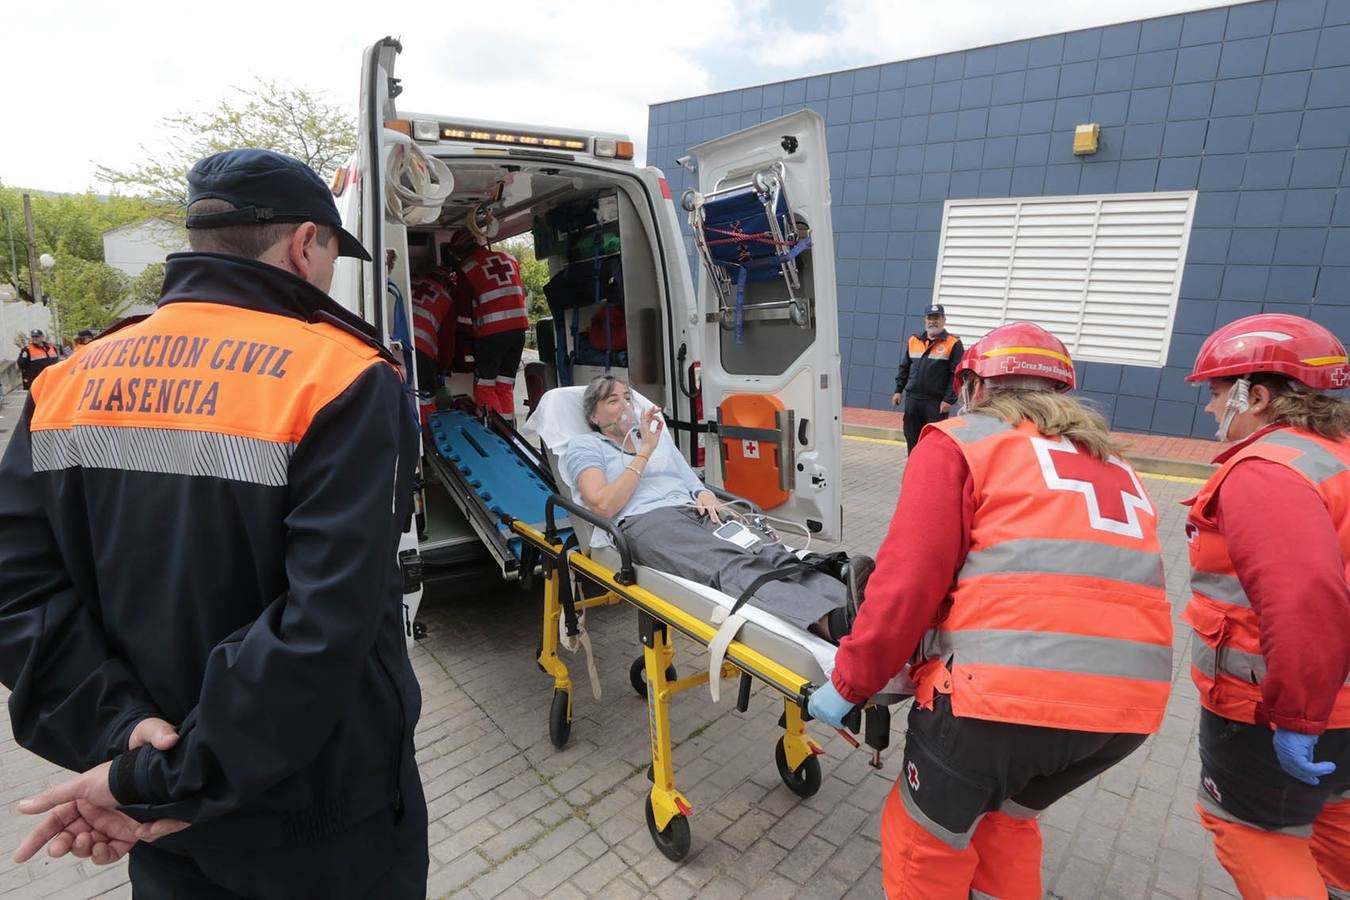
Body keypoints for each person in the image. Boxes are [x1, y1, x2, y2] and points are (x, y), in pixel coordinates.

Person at [0, 149, 426, 898]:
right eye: (330, 251)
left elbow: (18, 592)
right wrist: (176, 774)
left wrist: (128, 744)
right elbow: (325, 621)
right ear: (304, 244)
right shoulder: (343, 376)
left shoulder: (68, 379)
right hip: (322, 813)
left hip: (156, 807)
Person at [811, 322, 1173, 899]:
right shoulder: (1115, 465)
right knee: (1004, 824)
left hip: (1001, 702)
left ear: (973, 386)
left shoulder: (962, 441)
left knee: (926, 843)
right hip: (1124, 713)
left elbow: (905, 586)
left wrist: (851, 682)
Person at [1180, 313, 1350, 899]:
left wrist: (1298, 719)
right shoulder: (1341, 457)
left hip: (1274, 712)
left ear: (1256, 395)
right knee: (1336, 831)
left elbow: (1303, 600)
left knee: (1251, 832)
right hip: (1343, 710)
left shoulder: (1268, 472)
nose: (1208, 409)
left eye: (1215, 393)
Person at [564, 375, 872, 641]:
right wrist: (644, 451)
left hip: (694, 510)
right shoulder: (587, 447)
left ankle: (861, 604)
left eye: (628, 398)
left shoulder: (659, 442)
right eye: (613, 401)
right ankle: (832, 623)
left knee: (766, 551)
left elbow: (690, 480)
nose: (626, 406)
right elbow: (603, 505)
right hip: (648, 522)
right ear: (594, 416)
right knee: (730, 565)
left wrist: (705, 495)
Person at [453, 231, 529, 416]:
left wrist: (462, 337)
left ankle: (495, 432)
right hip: (518, 330)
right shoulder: (509, 259)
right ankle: (509, 432)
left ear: (459, 251)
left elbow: (462, 309)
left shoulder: (467, 268)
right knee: (504, 383)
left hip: (491, 333)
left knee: (484, 385)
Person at [892, 304, 963, 454]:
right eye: (930, 318)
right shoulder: (914, 340)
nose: (933, 322)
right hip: (913, 399)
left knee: (934, 439)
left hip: (936, 403)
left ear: (944, 320)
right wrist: (898, 390)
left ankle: (931, 470)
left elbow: (955, 374)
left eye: (937, 318)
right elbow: (904, 367)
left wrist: (949, 400)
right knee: (911, 435)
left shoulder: (953, 343)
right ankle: (913, 465)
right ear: (925, 320)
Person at [409, 265, 461, 425]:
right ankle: (425, 441)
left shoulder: (409, 282)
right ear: (446, 282)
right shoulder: (445, 299)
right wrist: (442, 368)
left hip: (394, 345)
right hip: (421, 350)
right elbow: (447, 342)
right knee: (425, 400)